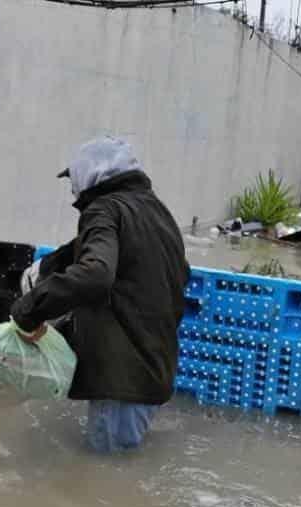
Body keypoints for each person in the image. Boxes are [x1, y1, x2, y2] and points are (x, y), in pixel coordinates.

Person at [11, 137, 189, 453]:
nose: (72, 191)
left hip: (121, 383)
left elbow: (95, 275)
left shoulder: (103, 209)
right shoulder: (156, 212)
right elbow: (141, 268)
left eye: (74, 180)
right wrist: (53, 264)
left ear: (91, 174)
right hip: (153, 373)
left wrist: (29, 308)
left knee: (104, 479)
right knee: (124, 477)